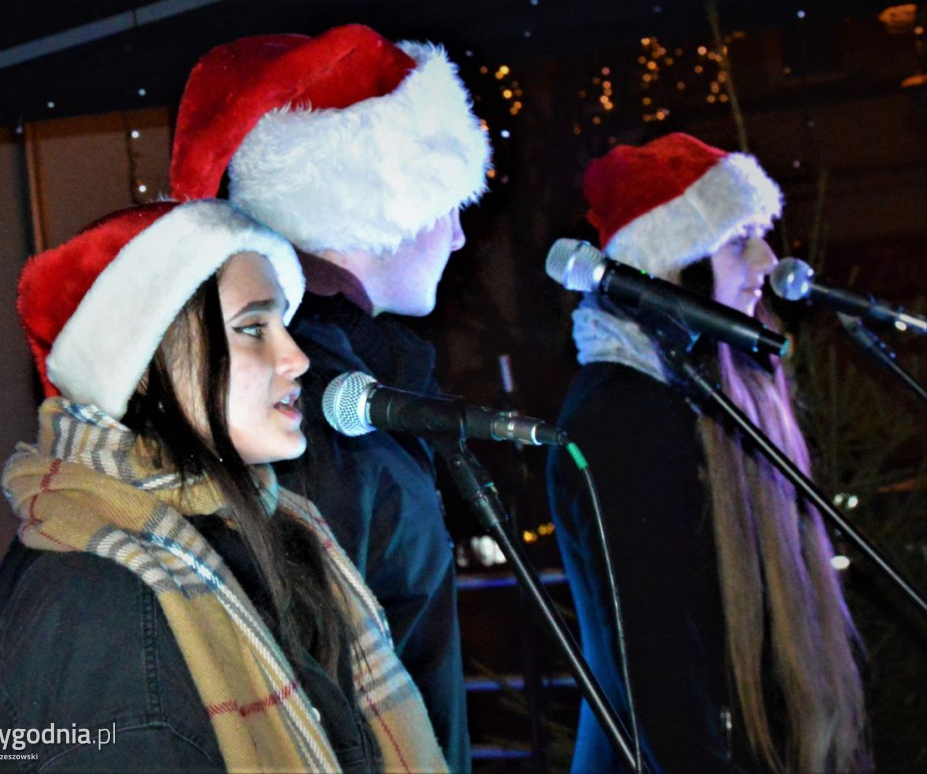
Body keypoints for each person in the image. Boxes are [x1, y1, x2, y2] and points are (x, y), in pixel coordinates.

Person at [0, 199, 447, 772]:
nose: (295, 358)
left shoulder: (279, 534)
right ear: (143, 363)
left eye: (285, 327)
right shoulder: (101, 598)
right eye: (252, 329)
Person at [168, 24, 491, 771]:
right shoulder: (304, 404)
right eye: (446, 201)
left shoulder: (345, 378)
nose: (458, 236)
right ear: (379, 204)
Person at [546, 133, 869, 773]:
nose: (768, 260)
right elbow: (656, 656)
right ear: (673, 262)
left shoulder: (703, 392)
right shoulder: (623, 413)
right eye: (737, 239)